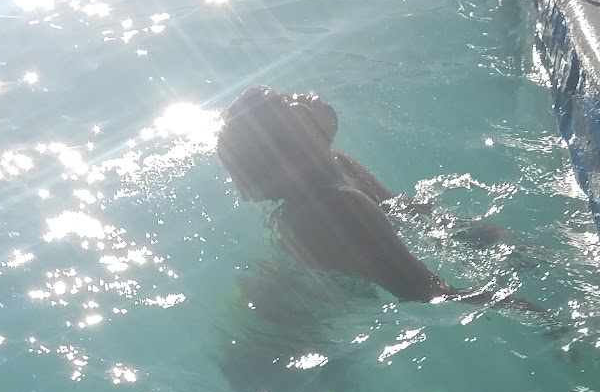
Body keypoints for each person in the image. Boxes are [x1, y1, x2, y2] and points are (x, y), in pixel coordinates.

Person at [215, 85, 535, 310]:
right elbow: (423, 291)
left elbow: (404, 212)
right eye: (292, 103)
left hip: (280, 302)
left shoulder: (339, 164)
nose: (306, 96)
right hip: (282, 331)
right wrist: (517, 306)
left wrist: (490, 238)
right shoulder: (340, 209)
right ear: (293, 150)